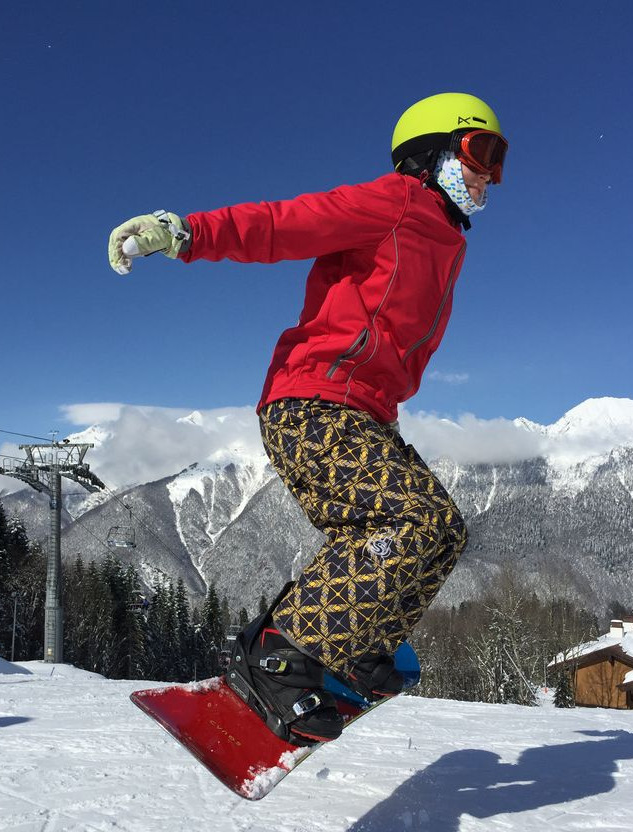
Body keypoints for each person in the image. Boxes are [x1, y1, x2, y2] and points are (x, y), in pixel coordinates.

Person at [108, 93, 508, 746]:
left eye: (499, 160)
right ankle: (279, 657)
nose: (490, 173)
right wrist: (185, 233)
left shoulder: (444, 237)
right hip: (314, 403)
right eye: (481, 151)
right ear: (430, 153)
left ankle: (360, 646)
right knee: (415, 519)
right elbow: (285, 223)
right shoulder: (394, 202)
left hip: (364, 413)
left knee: (443, 533)